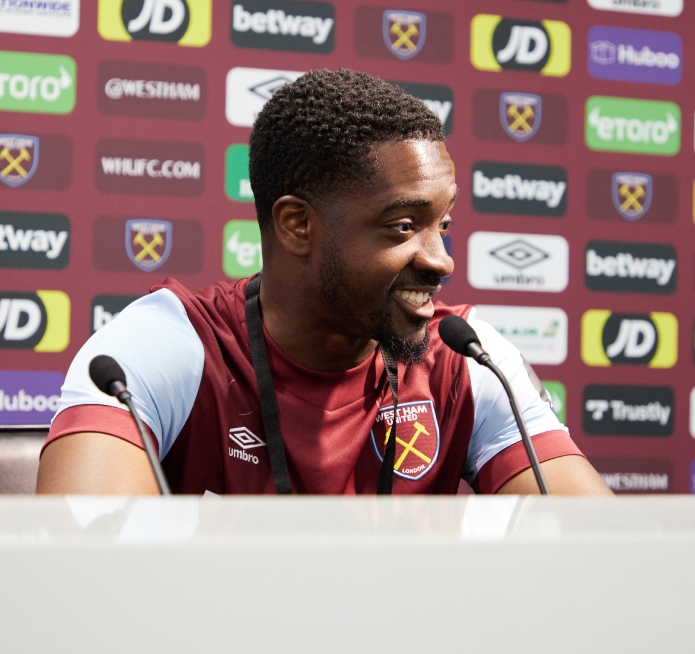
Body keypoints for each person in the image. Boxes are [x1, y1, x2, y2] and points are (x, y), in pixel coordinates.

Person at [37, 69, 611, 496]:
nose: (442, 261)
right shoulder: (166, 348)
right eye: (403, 226)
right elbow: (83, 573)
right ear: (297, 225)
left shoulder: (466, 360)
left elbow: (597, 559)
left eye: (444, 224)